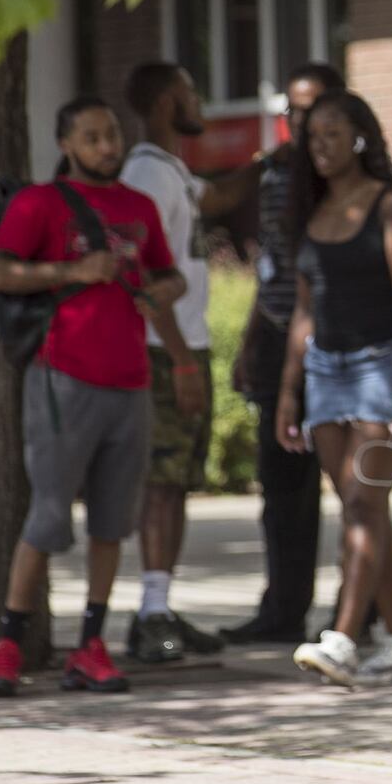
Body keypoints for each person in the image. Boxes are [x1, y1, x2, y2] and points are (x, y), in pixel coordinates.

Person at [0, 97, 186, 697]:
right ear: (67, 143)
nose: (107, 146)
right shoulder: (39, 203)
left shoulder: (140, 207)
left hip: (131, 383)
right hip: (62, 378)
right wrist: (71, 273)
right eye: (92, 137)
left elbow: (168, 274)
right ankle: (8, 643)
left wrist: (158, 293)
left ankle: (91, 645)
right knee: (47, 515)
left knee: (112, 523)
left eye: (112, 134)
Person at [277, 90, 392, 687]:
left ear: (360, 138)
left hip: (382, 368)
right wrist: (290, 393)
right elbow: (303, 311)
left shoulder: (390, 207)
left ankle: (342, 639)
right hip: (325, 375)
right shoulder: (313, 215)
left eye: (332, 135)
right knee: (361, 506)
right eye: (312, 137)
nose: (319, 146)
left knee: (364, 501)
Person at [120, 61, 265, 661]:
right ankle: (151, 614)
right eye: (187, 91)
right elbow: (144, 278)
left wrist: (274, 159)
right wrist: (179, 359)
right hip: (162, 353)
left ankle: (162, 605)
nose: (197, 99)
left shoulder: (172, 170)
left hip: (184, 348)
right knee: (161, 482)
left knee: (177, 481)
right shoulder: (146, 176)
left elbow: (223, 194)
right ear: (162, 103)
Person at [219, 62, 347, 645]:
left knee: (354, 485)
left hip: (340, 337)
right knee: (281, 483)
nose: (301, 121)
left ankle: (359, 611)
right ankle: (282, 609)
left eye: (313, 108)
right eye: (293, 110)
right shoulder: (272, 176)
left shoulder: (355, 177)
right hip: (277, 335)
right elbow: (268, 265)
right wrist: (250, 339)